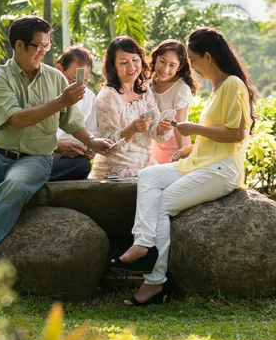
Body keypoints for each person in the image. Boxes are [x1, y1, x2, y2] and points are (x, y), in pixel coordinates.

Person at [110, 27, 256, 306]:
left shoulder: (233, 84)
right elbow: (218, 132)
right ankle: (142, 244)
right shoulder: (219, 88)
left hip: (222, 169)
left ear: (208, 57)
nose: (192, 65)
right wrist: (192, 145)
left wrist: (194, 129)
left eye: (193, 58)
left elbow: (238, 134)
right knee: (148, 175)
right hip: (203, 161)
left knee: (163, 204)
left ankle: (155, 283)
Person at [0, 16, 112, 257]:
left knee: (14, 186)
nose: (43, 52)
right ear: (19, 46)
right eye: (39, 46)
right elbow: (17, 120)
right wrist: (60, 101)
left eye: (47, 47)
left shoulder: (55, 78)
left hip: (35, 158)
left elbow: (71, 121)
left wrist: (92, 141)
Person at [89, 36, 173, 179]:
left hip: (144, 163)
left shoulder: (145, 93)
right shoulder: (108, 97)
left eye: (135, 60)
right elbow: (106, 146)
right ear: (113, 66)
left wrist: (161, 128)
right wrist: (131, 129)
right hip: (117, 168)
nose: (131, 67)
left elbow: (154, 129)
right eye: (123, 62)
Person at [50, 45, 98, 181]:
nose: (78, 87)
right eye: (72, 80)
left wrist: (90, 148)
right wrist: (57, 147)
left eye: (84, 82)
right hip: (42, 153)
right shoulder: (45, 90)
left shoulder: (89, 98)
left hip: (68, 159)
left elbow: (92, 133)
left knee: (82, 165)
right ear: (59, 69)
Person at [149, 40, 198, 164]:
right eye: (162, 62)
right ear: (156, 59)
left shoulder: (180, 89)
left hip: (175, 144)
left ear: (180, 67)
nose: (165, 69)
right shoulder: (149, 85)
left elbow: (179, 127)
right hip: (153, 143)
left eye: (172, 65)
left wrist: (182, 157)